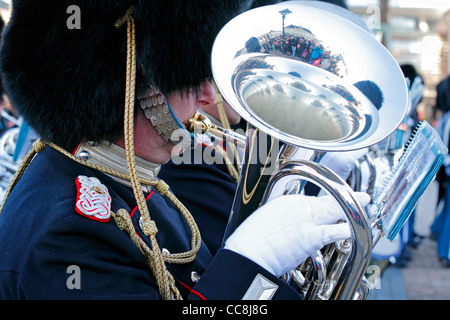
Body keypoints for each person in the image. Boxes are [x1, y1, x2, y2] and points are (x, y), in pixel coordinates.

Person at [0, 0, 368, 300]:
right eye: (191, 80)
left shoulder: (136, 185)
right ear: (139, 84)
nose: (209, 96)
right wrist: (249, 264)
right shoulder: (67, 235)